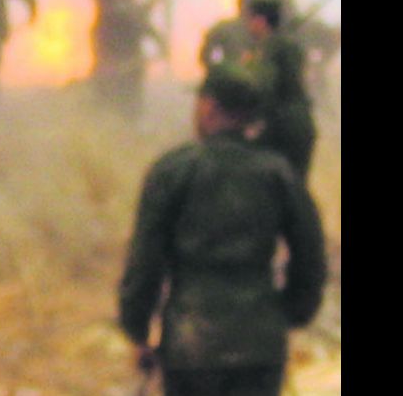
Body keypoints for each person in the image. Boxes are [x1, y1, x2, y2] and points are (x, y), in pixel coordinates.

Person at [118, 63, 327, 396]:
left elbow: (145, 261)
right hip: (260, 343)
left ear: (209, 106)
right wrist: (290, 314)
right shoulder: (277, 173)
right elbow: (311, 255)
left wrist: (137, 329)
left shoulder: (173, 170)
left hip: (191, 345)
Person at [243, 0, 316, 181]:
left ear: (259, 21)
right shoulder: (286, 45)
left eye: (249, 19)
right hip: (300, 124)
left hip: (281, 127)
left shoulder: (270, 48)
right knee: (294, 188)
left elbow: (266, 89)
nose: (247, 25)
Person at [90, 0, 166, 122]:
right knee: (111, 104)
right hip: (114, 58)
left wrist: (158, 39)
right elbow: (132, 18)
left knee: (129, 105)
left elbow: (137, 19)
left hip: (129, 59)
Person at [199, 0, 256, 68]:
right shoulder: (223, 29)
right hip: (231, 75)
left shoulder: (262, 31)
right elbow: (209, 55)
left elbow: (209, 56)